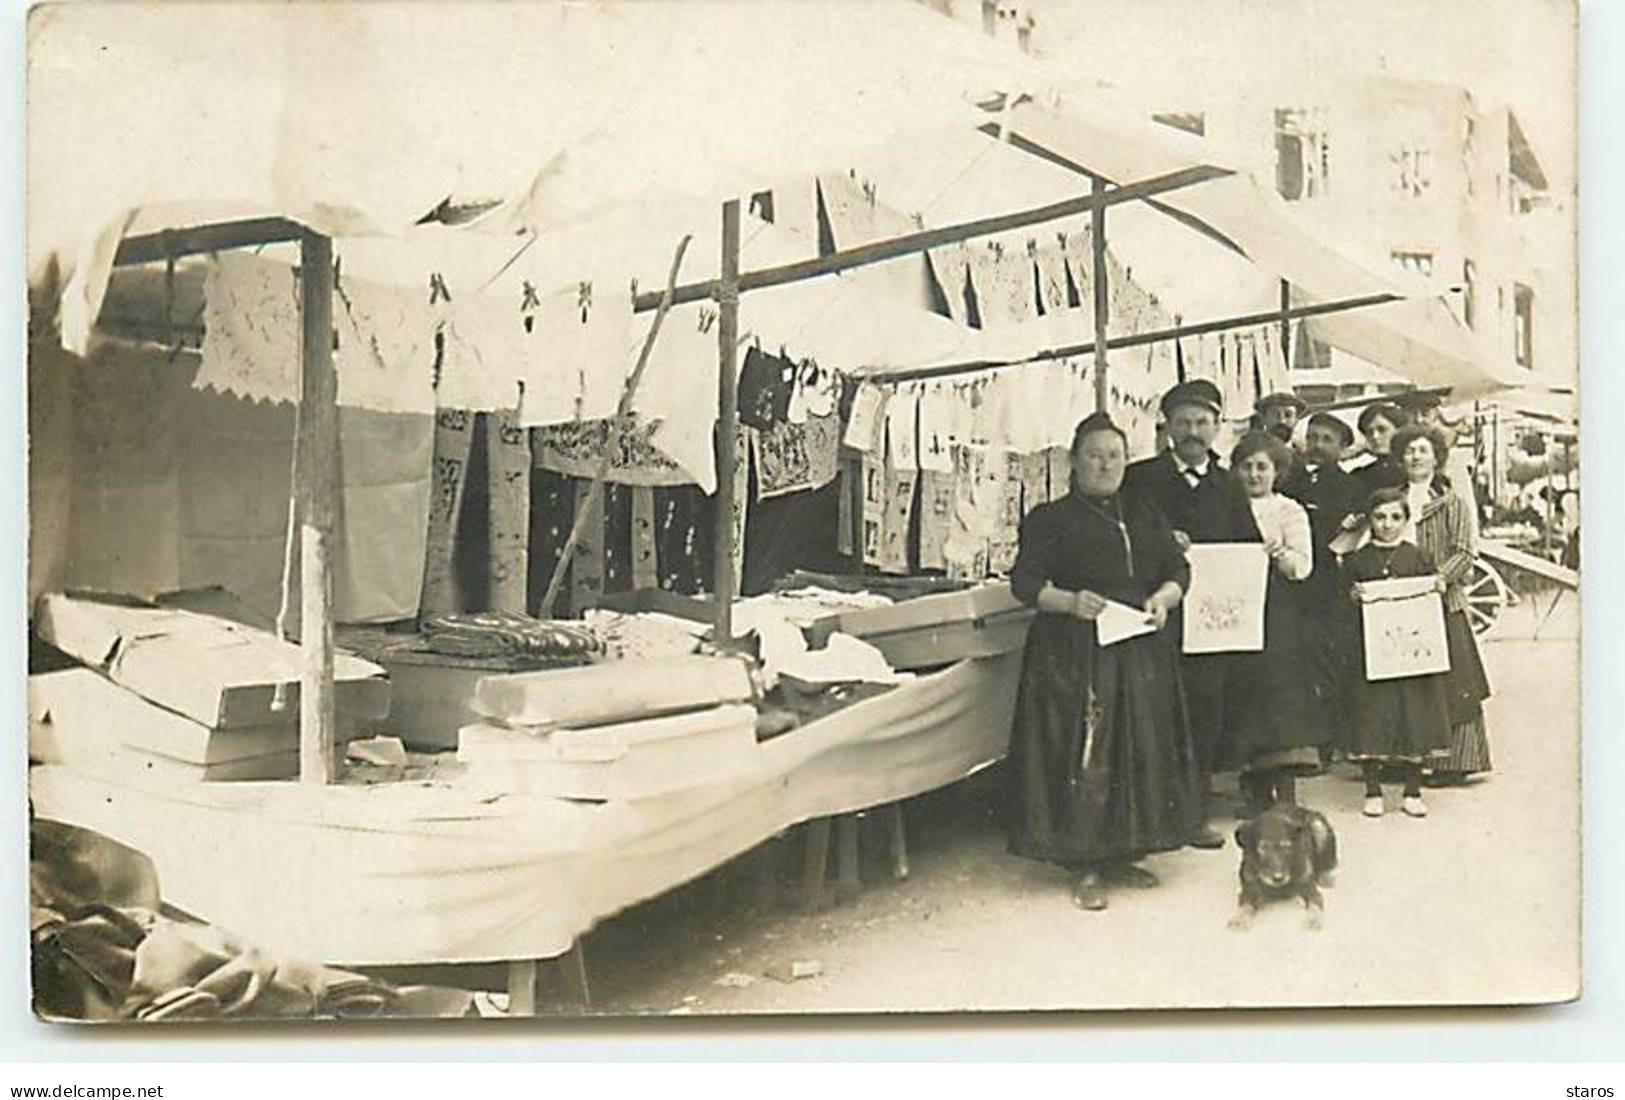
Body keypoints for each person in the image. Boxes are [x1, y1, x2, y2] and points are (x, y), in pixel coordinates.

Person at [1006, 413, 1203, 911]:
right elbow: (1025, 584)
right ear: (1073, 461)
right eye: (1094, 455)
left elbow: (1177, 567)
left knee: (1137, 750)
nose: (1105, 464)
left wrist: (1164, 597)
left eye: (1115, 455)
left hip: (1138, 649)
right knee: (1085, 754)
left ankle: (1122, 852)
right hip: (1073, 654)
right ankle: (1085, 863)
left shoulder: (1143, 511)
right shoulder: (1049, 519)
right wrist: (1071, 602)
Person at [1124, 379, 1262, 848]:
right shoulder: (1140, 479)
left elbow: (1247, 544)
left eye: (1202, 422)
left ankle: (1195, 813)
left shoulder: (1229, 484)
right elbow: (1123, 539)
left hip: (1212, 623)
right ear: (1166, 427)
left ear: (1218, 427)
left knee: (1204, 714)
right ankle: (1151, 816)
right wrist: (1163, 542)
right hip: (1158, 616)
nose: (1192, 431)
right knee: (1154, 713)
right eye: (1183, 422)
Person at [1222, 432, 1323, 814]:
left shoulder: (1289, 510)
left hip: (1277, 611)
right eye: (1245, 466)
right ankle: (1255, 791)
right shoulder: (1225, 506)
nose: (1253, 474)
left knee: (1279, 696)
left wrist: (1277, 552)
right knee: (1246, 696)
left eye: (1261, 467)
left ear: (1277, 471)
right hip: (1236, 607)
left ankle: (1286, 793)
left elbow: (1303, 567)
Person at [1341, 488, 1452, 818]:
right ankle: (1373, 790)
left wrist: (1437, 589)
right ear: (1370, 520)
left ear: (1406, 520)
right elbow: (1340, 607)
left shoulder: (1418, 557)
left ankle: (1412, 790)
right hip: (1372, 653)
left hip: (1411, 656)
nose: (1387, 524)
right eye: (1380, 517)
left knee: (1412, 715)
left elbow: (1433, 610)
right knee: (1372, 714)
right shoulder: (1356, 561)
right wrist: (1353, 597)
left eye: (1395, 517)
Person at [1391, 423, 1492, 783]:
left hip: (1444, 601)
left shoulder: (1452, 502)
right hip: (1400, 603)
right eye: (1409, 450)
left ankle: (1456, 762)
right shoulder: (1391, 501)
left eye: (1422, 450)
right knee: (1404, 679)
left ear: (1436, 458)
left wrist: (1439, 579)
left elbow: (1465, 551)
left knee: (1454, 682)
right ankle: (1406, 758)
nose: (1415, 456)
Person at [1281, 412, 1365, 749]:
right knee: (1294, 661)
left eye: (1327, 440)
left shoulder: (1351, 487)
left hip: (1330, 587)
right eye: (1313, 437)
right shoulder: (1289, 481)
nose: (1317, 446)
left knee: (1326, 660)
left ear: (1343, 448)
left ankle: (1329, 740)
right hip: (1293, 585)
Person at [1347, 401, 1409, 497]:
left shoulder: (1415, 468)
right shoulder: (1362, 476)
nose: (1375, 437)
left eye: (1382, 430)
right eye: (1369, 432)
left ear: (1399, 430)